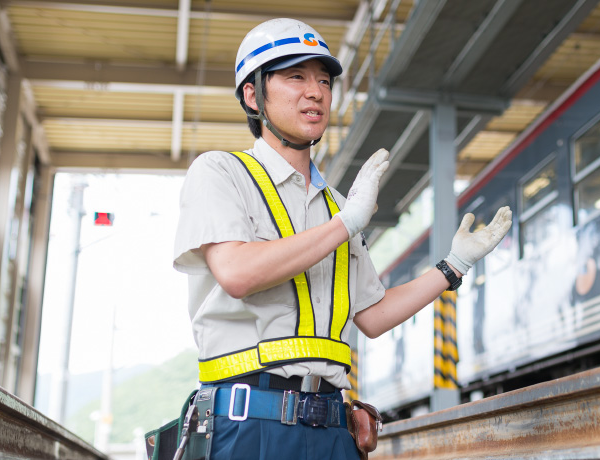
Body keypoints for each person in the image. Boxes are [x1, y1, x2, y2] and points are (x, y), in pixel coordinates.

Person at [172, 18, 512, 460]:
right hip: (249, 425)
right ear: (253, 95)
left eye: (324, 80)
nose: (315, 92)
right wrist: (347, 223)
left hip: (334, 429)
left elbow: (371, 315)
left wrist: (453, 267)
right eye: (295, 76)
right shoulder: (221, 173)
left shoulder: (338, 205)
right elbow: (237, 272)